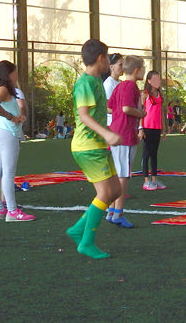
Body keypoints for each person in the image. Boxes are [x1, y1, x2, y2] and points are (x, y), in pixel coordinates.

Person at [65, 39, 122, 259]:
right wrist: (107, 133)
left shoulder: (97, 80)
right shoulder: (86, 83)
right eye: (108, 58)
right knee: (106, 193)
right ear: (101, 58)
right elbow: (84, 115)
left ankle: (78, 229)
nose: (109, 62)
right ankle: (86, 242)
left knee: (116, 191)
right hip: (87, 147)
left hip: (98, 145)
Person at [0, 61, 34, 222]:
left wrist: (16, 116)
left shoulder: (1, 88)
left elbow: (2, 106)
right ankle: (12, 211)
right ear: (9, 74)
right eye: (15, 72)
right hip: (7, 133)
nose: (17, 75)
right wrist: (10, 117)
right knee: (7, 173)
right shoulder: (4, 88)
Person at [107, 55, 146, 228]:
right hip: (125, 135)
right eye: (143, 69)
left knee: (116, 173)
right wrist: (142, 113)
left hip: (115, 132)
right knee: (123, 175)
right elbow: (126, 108)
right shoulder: (131, 87)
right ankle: (118, 213)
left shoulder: (120, 85)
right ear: (136, 70)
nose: (144, 71)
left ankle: (111, 210)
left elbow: (110, 106)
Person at [140, 70, 167, 191]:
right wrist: (140, 128)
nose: (158, 82)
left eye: (159, 79)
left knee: (154, 154)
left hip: (156, 128)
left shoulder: (160, 95)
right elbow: (141, 112)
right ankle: (146, 181)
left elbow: (161, 112)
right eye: (155, 79)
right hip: (147, 128)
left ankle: (155, 179)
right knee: (146, 154)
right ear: (149, 81)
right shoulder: (145, 94)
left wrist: (164, 129)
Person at [103, 53, 123, 126]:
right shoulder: (109, 83)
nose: (123, 68)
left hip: (120, 121)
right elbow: (107, 107)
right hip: (112, 123)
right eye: (120, 65)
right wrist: (121, 112)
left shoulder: (120, 82)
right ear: (111, 67)